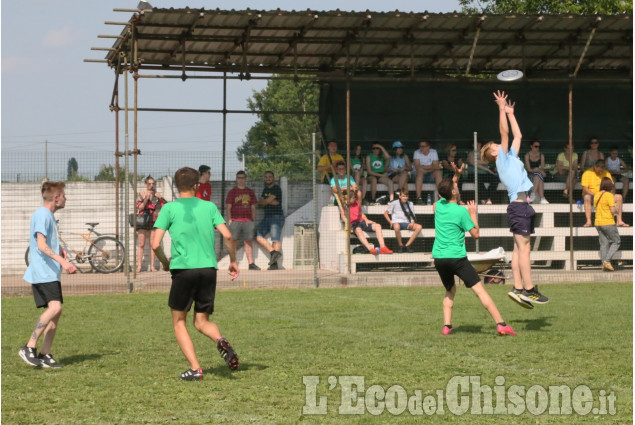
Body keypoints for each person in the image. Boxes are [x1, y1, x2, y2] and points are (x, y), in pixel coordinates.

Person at [152, 167, 240, 381]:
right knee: (201, 321)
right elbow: (228, 235)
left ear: (176, 186)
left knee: (179, 321)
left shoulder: (169, 209)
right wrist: (233, 261)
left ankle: (195, 369)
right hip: (208, 270)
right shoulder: (209, 207)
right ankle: (219, 339)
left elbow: (155, 244)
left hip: (184, 270)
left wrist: (165, 263)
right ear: (196, 186)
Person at [481, 90, 549, 308]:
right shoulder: (501, 159)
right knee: (525, 249)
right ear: (492, 154)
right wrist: (501, 109)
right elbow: (505, 133)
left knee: (521, 249)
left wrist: (511, 113)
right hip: (519, 207)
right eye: (494, 146)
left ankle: (518, 288)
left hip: (523, 206)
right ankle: (529, 290)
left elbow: (517, 136)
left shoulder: (510, 157)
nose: (498, 146)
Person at [432, 164, 516, 336]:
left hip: (440, 258)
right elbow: (476, 234)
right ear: (454, 192)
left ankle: (447, 326)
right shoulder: (461, 212)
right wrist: (472, 213)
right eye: (456, 186)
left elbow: (446, 191)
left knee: (450, 290)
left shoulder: (438, 207)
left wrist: (457, 175)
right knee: (479, 290)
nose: (457, 186)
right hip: (457, 259)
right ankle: (501, 324)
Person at [19, 181, 78, 368]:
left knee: (56, 312)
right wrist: (64, 262)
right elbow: (41, 245)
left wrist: (59, 249)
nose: (66, 198)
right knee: (54, 309)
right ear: (56, 197)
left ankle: (45, 354)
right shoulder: (42, 214)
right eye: (64, 195)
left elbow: (48, 242)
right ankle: (29, 347)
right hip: (43, 273)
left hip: (50, 273)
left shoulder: (49, 216)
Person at [225, 171, 259, 270]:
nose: (241, 179)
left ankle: (251, 264)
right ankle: (233, 263)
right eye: (239, 177)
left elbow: (253, 206)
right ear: (236, 179)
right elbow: (228, 207)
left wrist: (253, 219)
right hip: (235, 220)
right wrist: (230, 219)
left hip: (248, 220)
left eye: (243, 177)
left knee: (248, 242)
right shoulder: (232, 192)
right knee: (233, 242)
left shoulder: (250, 191)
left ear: (245, 179)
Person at [581, 160, 628, 227]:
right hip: (593, 195)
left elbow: (611, 186)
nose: (600, 172)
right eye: (599, 170)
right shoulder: (587, 173)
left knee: (619, 197)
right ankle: (589, 221)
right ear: (595, 167)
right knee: (586, 197)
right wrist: (595, 194)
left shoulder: (606, 173)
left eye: (602, 171)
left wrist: (608, 194)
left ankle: (619, 221)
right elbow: (585, 189)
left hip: (605, 195)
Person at [136, 176, 166, 272]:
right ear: (145, 184)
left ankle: (152, 266)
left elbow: (165, 205)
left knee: (152, 244)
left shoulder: (156, 194)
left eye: (153, 183)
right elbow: (139, 208)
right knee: (141, 244)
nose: (151, 185)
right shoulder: (141, 194)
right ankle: (139, 266)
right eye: (149, 183)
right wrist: (145, 199)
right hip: (142, 218)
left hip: (153, 219)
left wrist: (161, 198)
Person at [348, 190, 393, 255]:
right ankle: (370, 249)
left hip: (362, 222)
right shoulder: (345, 206)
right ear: (348, 198)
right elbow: (344, 216)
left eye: (355, 197)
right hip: (354, 224)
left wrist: (366, 219)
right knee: (358, 230)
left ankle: (383, 247)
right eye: (353, 198)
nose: (355, 199)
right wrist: (348, 224)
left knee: (378, 226)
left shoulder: (357, 203)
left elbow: (361, 214)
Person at [255, 171, 285, 270]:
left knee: (275, 239)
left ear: (273, 178)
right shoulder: (265, 190)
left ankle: (274, 265)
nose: (268, 178)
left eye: (270, 177)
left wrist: (266, 201)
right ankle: (274, 253)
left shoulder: (276, 188)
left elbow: (267, 202)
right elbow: (260, 204)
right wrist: (269, 201)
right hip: (266, 217)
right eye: (266, 177)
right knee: (257, 236)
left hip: (276, 216)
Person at [593, 177, 621, 272]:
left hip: (598, 222)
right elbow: (612, 210)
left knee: (604, 243)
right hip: (608, 221)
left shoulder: (597, 195)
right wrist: (618, 210)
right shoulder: (609, 195)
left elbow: (596, 206)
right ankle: (606, 261)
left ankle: (604, 264)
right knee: (616, 241)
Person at [466, 140, 498, 205]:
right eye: (475, 144)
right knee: (478, 180)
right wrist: (487, 169)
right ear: (472, 145)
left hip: (484, 174)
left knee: (495, 179)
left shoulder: (484, 153)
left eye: (478, 144)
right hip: (474, 174)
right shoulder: (471, 153)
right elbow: (472, 162)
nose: (477, 145)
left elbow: (487, 161)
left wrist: (477, 162)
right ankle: (485, 198)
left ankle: (487, 197)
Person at [413, 140, 442, 204]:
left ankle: (441, 196)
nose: (421, 148)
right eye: (420, 146)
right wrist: (430, 167)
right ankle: (419, 198)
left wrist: (424, 167)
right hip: (418, 175)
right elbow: (417, 167)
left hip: (430, 174)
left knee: (438, 172)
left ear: (428, 147)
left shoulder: (434, 152)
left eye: (423, 146)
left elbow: (436, 166)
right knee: (420, 172)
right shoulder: (416, 152)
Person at [524, 140, 549, 204]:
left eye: (539, 147)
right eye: (536, 146)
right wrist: (537, 170)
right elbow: (529, 169)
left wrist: (538, 169)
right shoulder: (527, 155)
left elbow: (542, 167)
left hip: (538, 174)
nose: (537, 148)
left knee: (538, 176)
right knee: (539, 176)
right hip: (530, 175)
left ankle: (533, 194)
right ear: (531, 146)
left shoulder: (541, 155)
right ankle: (542, 198)